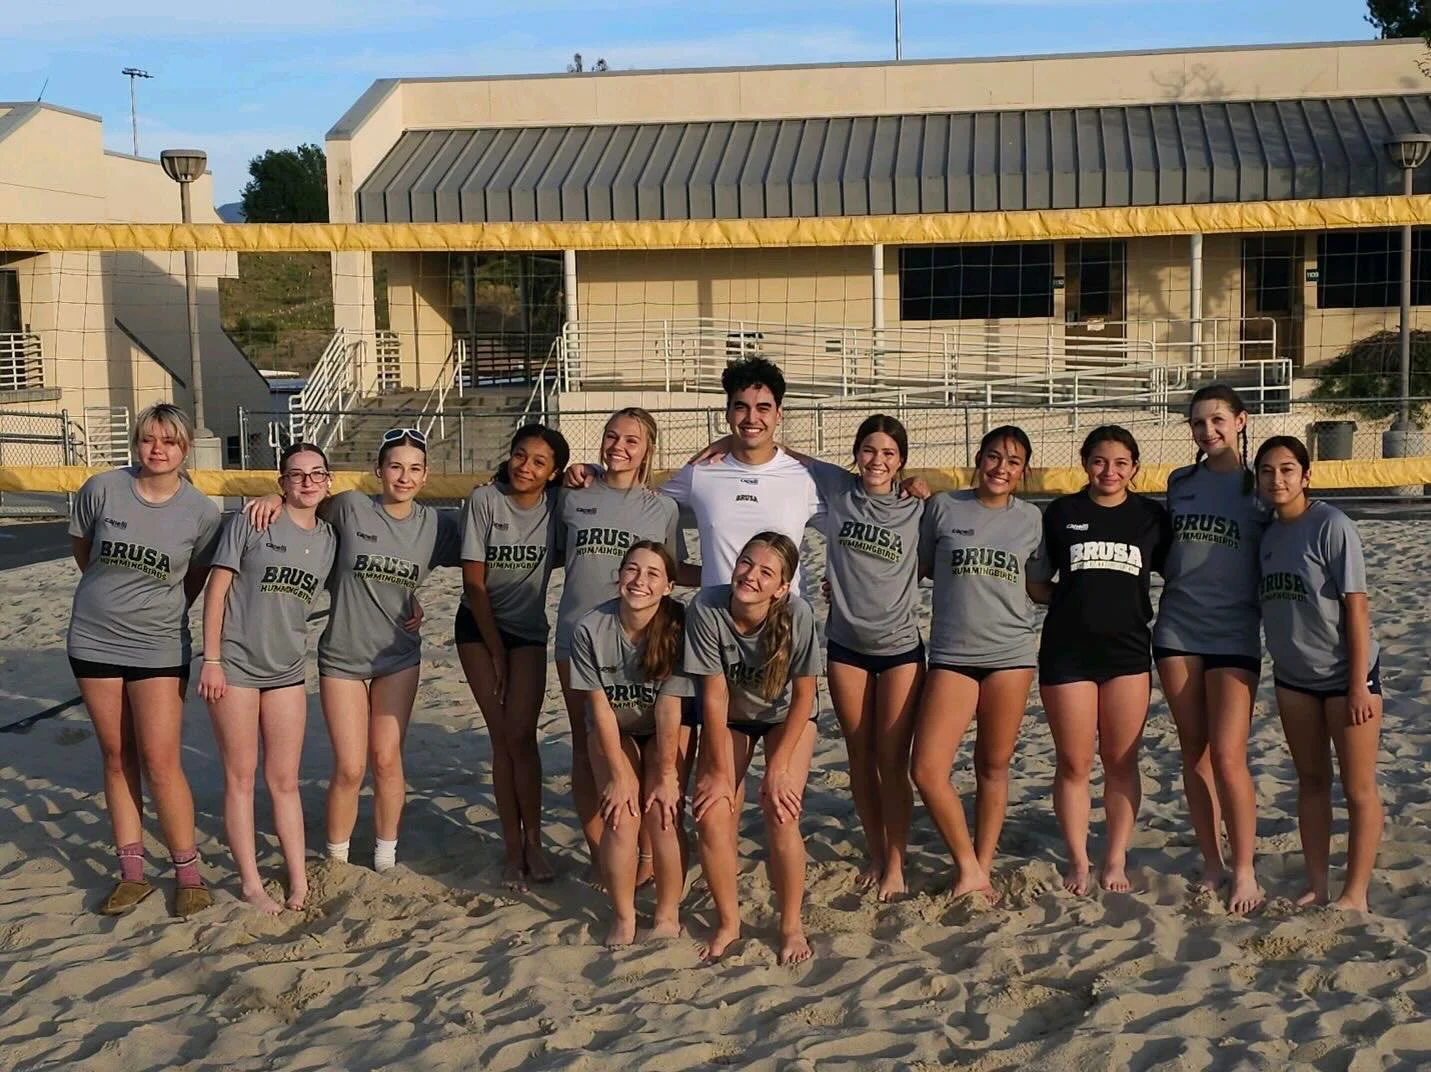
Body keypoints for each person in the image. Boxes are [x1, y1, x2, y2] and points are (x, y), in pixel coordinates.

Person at [246, 427, 455, 873]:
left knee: (386, 758)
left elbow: (489, 540)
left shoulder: (435, 524)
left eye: (414, 469)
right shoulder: (351, 506)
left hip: (397, 655)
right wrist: (272, 498)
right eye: (395, 466)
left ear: (425, 476)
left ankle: (385, 858)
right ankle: (336, 859)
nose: (403, 476)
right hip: (342, 655)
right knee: (350, 766)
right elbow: (302, 504)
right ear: (378, 471)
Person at [67, 403, 222, 917]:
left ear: (184, 449)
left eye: (169, 442)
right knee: (116, 755)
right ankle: (131, 873)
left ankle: (188, 873)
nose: (157, 449)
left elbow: (197, 577)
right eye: (148, 439)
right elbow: (84, 551)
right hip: (93, 639)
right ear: (137, 442)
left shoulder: (201, 511)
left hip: (158, 644)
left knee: (161, 760)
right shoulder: (101, 489)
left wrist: (156, 609)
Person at [911, 425, 1051, 901]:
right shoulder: (945, 507)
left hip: (1011, 655)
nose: (1001, 468)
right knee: (928, 770)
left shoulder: (1031, 519)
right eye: (994, 457)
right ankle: (966, 863)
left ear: (1024, 471)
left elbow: (1036, 586)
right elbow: (919, 568)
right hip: (952, 654)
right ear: (978, 458)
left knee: (993, 766)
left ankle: (983, 864)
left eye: (1013, 462)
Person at [198, 442, 337, 914]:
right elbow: (215, 592)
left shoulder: (329, 539)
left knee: (285, 780)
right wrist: (211, 660)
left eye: (316, 474)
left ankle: (297, 877)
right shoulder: (253, 521)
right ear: (281, 482)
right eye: (296, 475)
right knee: (240, 777)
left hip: (287, 671)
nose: (307, 482)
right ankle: (251, 884)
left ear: (328, 481)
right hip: (234, 667)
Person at [1039, 426, 1171, 896]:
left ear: (1135, 468)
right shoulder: (1063, 513)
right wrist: (1075, 601)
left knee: (1120, 760)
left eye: (1120, 463)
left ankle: (1114, 858)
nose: (1109, 471)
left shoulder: (1151, 517)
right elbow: (1037, 582)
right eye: (1099, 461)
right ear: (1084, 463)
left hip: (1129, 655)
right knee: (1074, 763)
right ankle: (1078, 859)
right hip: (1067, 653)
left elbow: (1180, 571)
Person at [1154, 385, 1269, 914]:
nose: (1208, 431)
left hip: (1234, 632)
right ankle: (1212, 861)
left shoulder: (1260, 488)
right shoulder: (1180, 483)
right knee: (1194, 751)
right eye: (1198, 423)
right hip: (1177, 629)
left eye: (1218, 420)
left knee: (1228, 755)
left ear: (1241, 422)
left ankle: (1245, 868)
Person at [553, 408, 682, 877]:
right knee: (588, 747)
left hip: (639, 644)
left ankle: (645, 855)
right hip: (576, 637)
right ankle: (600, 852)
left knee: (639, 749)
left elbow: (675, 573)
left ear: (648, 448)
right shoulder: (573, 495)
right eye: (611, 437)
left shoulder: (662, 508)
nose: (618, 447)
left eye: (631, 440)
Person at [568, 357, 825, 592]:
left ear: (778, 415)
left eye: (763, 408)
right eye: (741, 407)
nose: (751, 417)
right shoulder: (700, 473)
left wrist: (838, 580)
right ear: (727, 413)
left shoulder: (804, 478)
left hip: (781, 622)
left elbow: (853, 516)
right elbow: (637, 495)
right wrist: (596, 471)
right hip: (715, 622)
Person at [1256, 436, 1382, 912]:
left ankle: (1356, 893)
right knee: (1310, 782)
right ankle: (1317, 883)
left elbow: (1356, 606)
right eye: (1267, 471)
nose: (1277, 479)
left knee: (1357, 788)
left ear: (1306, 476)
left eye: (1287, 470)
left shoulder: (1331, 524)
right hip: (1293, 678)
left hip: (1345, 676)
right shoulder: (1267, 533)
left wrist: (1356, 684)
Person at [802, 415, 925, 902]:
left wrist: (926, 486)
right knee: (859, 755)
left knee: (893, 761)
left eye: (889, 454)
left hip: (900, 650)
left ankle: (897, 860)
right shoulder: (838, 490)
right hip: (846, 647)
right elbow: (783, 453)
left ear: (902, 461)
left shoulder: (917, 507)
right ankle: (877, 851)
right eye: (870, 450)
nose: (878, 461)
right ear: (856, 453)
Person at [686, 532, 822, 965]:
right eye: (746, 563)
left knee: (781, 809)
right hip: (732, 717)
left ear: (782, 587)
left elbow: (804, 696)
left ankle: (790, 925)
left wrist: (777, 768)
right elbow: (714, 697)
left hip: (786, 717)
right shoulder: (707, 606)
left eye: (766, 572)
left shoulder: (797, 615)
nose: (751, 575)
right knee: (711, 811)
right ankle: (729, 922)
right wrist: (720, 772)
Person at [569, 542, 696, 945]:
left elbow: (669, 709)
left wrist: (665, 774)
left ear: (668, 586)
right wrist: (621, 774)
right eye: (632, 570)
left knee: (662, 810)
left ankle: (666, 912)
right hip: (614, 728)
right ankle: (623, 916)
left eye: (652, 574)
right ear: (619, 575)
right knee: (621, 814)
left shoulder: (679, 626)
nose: (640, 581)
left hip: (665, 723)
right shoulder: (590, 627)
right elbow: (600, 709)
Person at [458, 423, 568, 888]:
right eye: (520, 455)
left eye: (539, 461)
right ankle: (511, 848)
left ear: (553, 472)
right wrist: (496, 651)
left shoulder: (559, 507)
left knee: (523, 736)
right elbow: (473, 583)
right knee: (503, 735)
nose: (526, 466)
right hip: (479, 628)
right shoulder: (485, 500)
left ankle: (535, 845)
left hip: (528, 630)